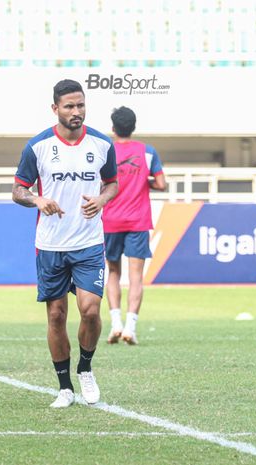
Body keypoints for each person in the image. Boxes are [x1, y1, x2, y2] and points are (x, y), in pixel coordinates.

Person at [12, 79, 118, 408]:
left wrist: (101, 200)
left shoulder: (101, 144)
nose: (76, 112)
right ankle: (64, 387)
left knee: (89, 311)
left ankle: (85, 368)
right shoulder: (38, 146)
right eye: (69, 106)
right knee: (56, 315)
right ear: (55, 108)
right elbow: (18, 191)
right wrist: (37, 199)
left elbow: (112, 184)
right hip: (51, 244)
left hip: (88, 242)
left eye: (81, 105)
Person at [102, 106, 165, 346]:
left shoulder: (105, 151)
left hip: (110, 220)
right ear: (134, 126)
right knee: (136, 276)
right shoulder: (147, 152)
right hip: (138, 220)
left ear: (113, 128)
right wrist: (143, 180)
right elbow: (161, 183)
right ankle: (130, 327)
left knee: (113, 273)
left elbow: (99, 184)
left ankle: (115, 324)